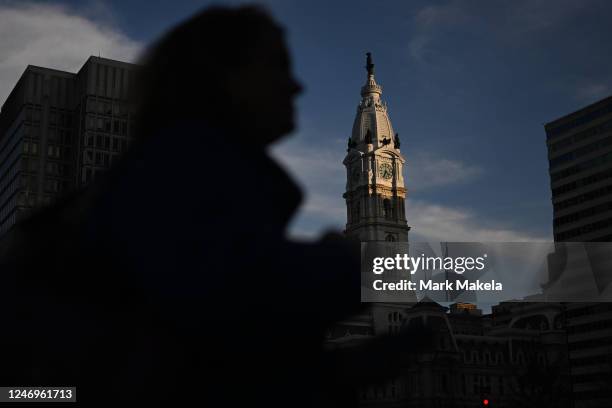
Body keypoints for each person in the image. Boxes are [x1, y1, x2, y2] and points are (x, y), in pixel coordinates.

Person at [0, 5, 430, 407]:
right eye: (277, 67)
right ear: (226, 81)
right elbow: (225, 301)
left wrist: (348, 369)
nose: (296, 85)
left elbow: (215, 363)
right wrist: (340, 270)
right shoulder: (186, 184)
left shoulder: (166, 176)